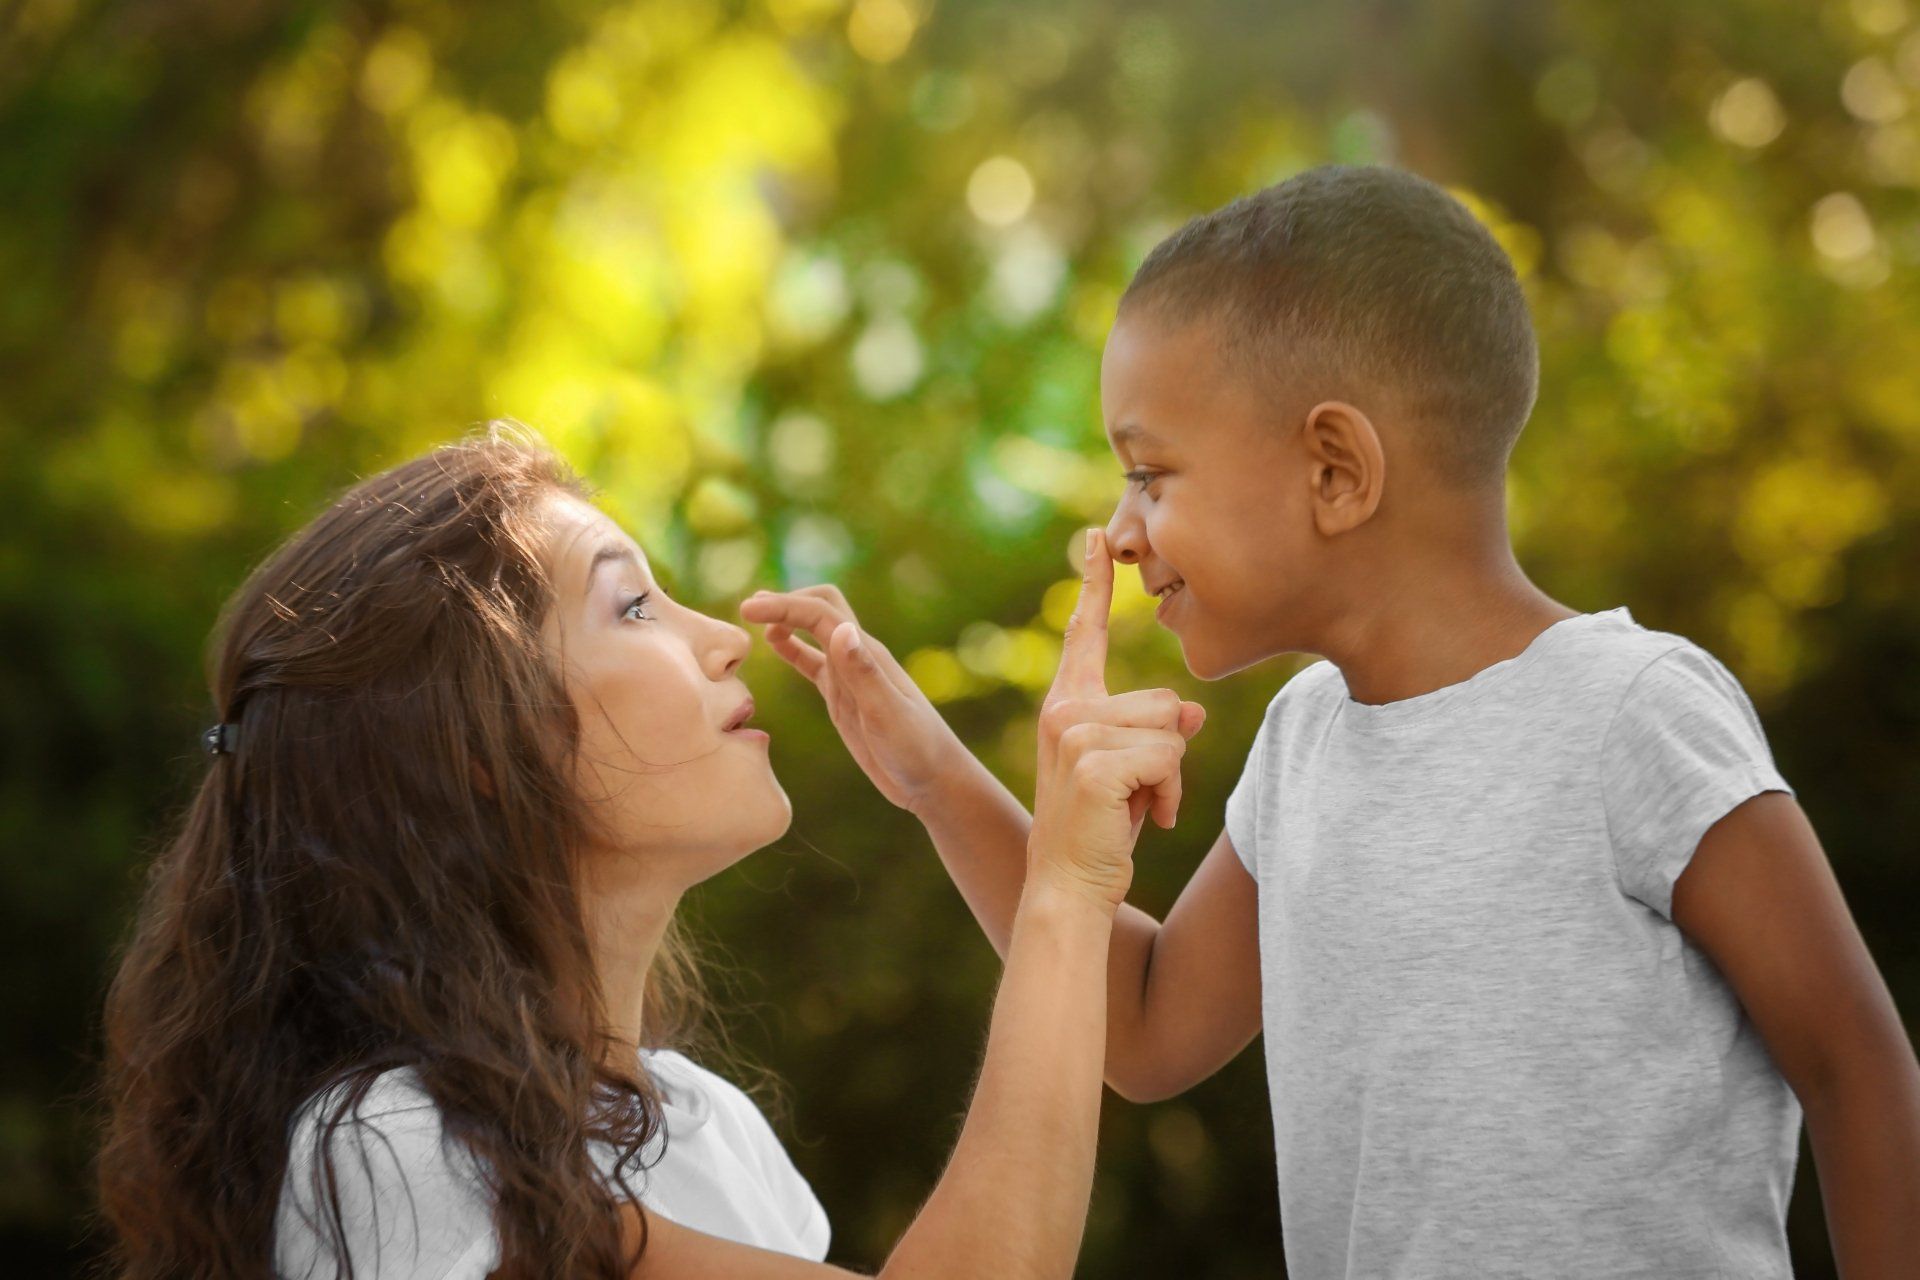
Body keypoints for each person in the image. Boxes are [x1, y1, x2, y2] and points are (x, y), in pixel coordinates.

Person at [741, 164, 1920, 1278]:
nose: (1118, 530)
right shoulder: (1305, 742)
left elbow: (1859, 1066)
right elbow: (1147, 1028)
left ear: (1337, 471)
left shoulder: (1631, 712)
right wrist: (935, 775)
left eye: (1151, 474)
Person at [96, 427, 1192, 1279]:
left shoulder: (711, 1129)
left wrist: (945, 789)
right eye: (632, 605)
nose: (719, 636)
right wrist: (1066, 883)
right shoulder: (395, 1145)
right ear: (479, 745)